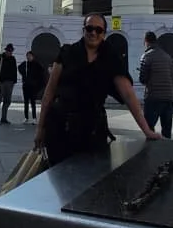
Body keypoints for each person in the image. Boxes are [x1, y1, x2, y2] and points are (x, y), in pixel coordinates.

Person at [35, 14, 161, 166]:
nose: (93, 33)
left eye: (98, 30)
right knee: (59, 178)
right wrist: (40, 128)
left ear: (104, 34)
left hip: (92, 129)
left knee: (92, 178)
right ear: (83, 30)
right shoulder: (67, 52)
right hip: (60, 126)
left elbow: (128, 94)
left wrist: (146, 130)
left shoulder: (111, 57)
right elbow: (50, 91)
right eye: (89, 28)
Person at [139, 31, 173, 139]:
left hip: (153, 97)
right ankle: (168, 154)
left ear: (146, 41)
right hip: (169, 98)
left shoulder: (146, 56)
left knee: (149, 129)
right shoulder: (167, 56)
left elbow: (143, 79)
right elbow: (172, 76)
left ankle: (151, 153)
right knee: (167, 131)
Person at [0, 43, 18, 125]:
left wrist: (14, 81)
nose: (10, 53)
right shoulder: (0, 58)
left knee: (7, 101)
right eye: (9, 51)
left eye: (11, 51)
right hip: (1, 82)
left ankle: (4, 118)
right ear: (6, 51)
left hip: (10, 82)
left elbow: (14, 70)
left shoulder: (13, 59)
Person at [19, 50, 46, 123]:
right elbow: (19, 68)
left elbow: (42, 71)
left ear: (33, 57)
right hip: (25, 86)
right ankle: (26, 117)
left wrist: (37, 81)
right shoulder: (25, 64)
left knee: (33, 102)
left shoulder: (36, 64)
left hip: (33, 86)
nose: (28, 57)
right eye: (27, 56)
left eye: (30, 56)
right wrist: (24, 75)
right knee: (26, 102)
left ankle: (34, 118)